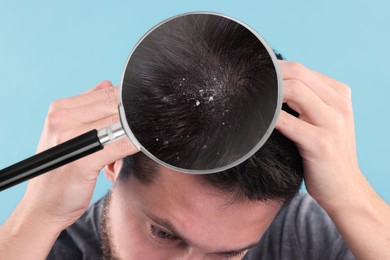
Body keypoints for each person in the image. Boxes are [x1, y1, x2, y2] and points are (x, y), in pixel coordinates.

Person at [1, 15, 389, 260]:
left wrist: (352, 199)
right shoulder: (40, 247)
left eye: (229, 255)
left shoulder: (303, 236)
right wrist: (35, 219)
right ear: (113, 161)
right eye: (163, 234)